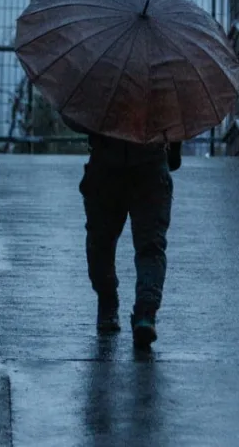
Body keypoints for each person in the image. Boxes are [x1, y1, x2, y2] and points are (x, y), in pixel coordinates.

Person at [64, 116, 181, 347]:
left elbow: (77, 118)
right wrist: (173, 149)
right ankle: (146, 314)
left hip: (106, 167)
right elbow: (175, 147)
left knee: (101, 242)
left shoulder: (102, 81)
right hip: (150, 169)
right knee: (151, 247)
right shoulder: (161, 84)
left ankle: (107, 304)